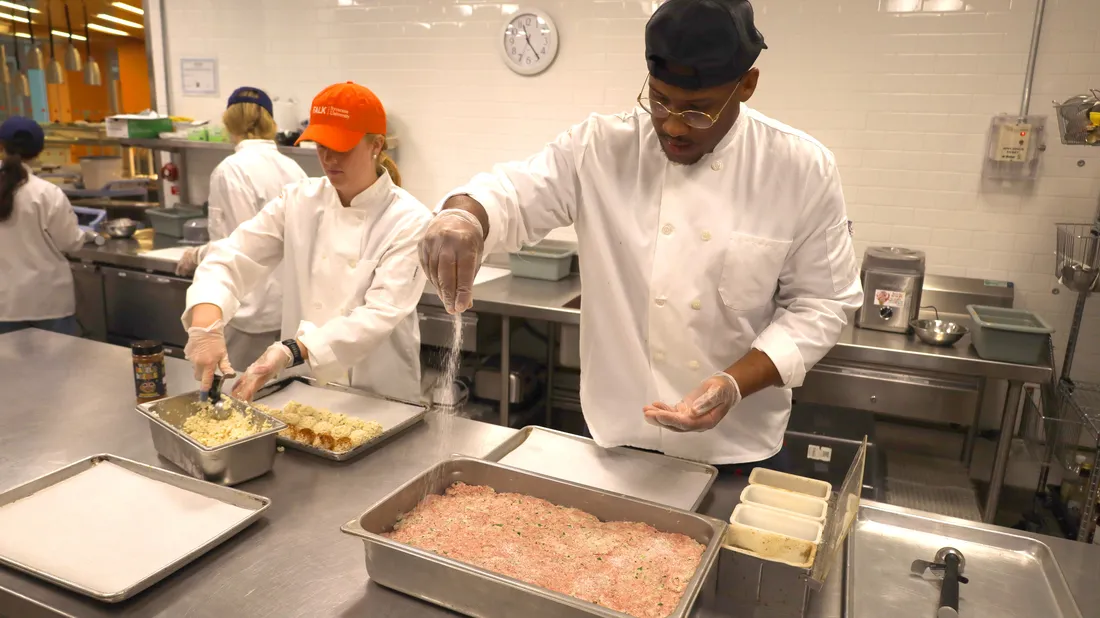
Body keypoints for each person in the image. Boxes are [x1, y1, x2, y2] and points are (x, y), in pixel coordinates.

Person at [419, 0, 863, 466]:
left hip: (737, 447)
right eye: (660, 100)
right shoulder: (600, 146)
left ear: (746, 85)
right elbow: (512, 193)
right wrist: (464, 216)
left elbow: (822, 304)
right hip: (616, 436)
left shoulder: (799, 168)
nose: (672, 125)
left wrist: (733, 384)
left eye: (698, 111)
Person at [182, 81, 431, 403]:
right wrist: (206, 318)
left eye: (341, 147)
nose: (329, 158)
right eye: (321, 145)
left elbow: (379, 314)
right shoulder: (299, 199)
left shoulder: (409, 219)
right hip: (304, 386)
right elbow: (233, 255)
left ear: (376, 144)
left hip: (377, 395)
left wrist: (292, 350)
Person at [175, 87, 308, 370]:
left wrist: (197, 255)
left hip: (249, 310)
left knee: (236, 390)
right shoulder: (293, 168)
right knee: (281, 390)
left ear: (229, 121)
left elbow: (236, 244)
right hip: (288, 312)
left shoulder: (230, 170)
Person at [0, 117, 89, 336]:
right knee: (58, 359)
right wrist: (88, 235)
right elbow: (70, 242)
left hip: (4, 304)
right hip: (47, 302)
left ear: (1, 146)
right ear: (39, 152)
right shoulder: (47, 193)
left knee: (8, 360)